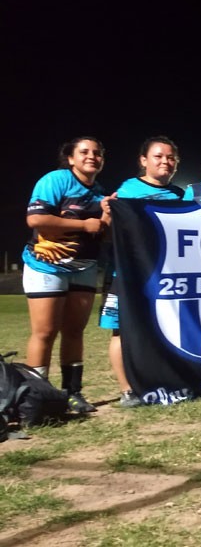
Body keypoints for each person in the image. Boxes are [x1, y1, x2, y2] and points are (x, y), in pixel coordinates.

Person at [22, 137, 110, 414]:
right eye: (84, 152)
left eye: (97, 153)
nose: (91, 156)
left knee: (74, 332)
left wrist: (107, 216)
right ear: (71, 158)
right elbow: (35, 219)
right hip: (46, 266)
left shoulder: (99, 192)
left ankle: (73, 394)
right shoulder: (56, 180)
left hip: (84, 268)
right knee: (45, 332)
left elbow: (101, 233)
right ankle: (37, 396)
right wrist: (85, 224)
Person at [100, 136, 185, 408]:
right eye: (159, 156)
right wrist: (108, 214)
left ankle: (162, 382)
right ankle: (127, 390)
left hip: (162, 277)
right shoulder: (127, 192)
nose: (165, 162)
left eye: (170, 157)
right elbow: (111, 230)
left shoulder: (178, 196)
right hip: (126, 275)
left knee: (160, 330)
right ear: (143, 161)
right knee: (120, 331)